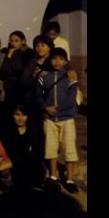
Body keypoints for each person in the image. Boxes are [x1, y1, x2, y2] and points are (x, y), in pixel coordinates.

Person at [37, 47, 79, 194]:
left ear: (66, 61)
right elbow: (38, 96)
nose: (57, 61)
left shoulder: (70, 77)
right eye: (54, 58)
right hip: (49, 119)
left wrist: (58, 109)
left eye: (61, 59)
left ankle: (70, 179)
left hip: (67, 118)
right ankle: (53, 176)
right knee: (51, 148)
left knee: (69, 149)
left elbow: (71, 97)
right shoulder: (44, 76)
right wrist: (46, 108)